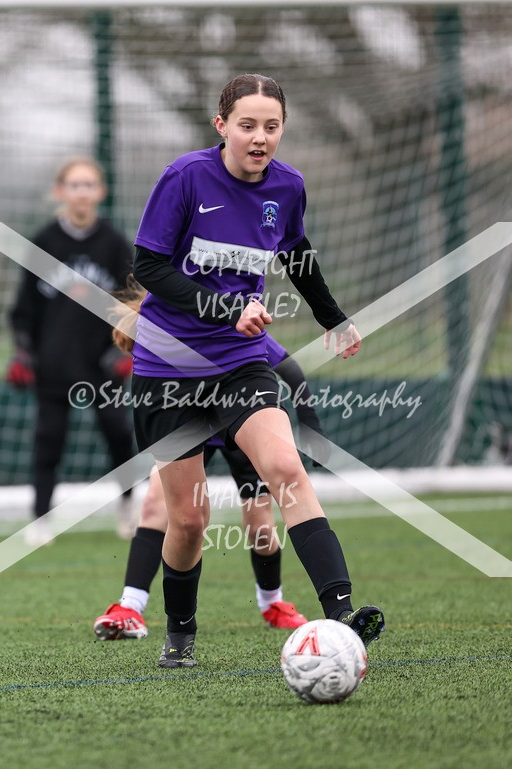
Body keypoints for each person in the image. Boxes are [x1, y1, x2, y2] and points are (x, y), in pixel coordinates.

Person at [130, 73, 385, 667]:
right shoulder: (186, 177)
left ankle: (342, 613)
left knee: (284, 468)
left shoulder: (289, 186)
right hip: (168, 366)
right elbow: (148, 265)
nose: (260, 137)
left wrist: (333, 317)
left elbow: (295, 252)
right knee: (189, 521)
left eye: (272, 126)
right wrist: (223, 306)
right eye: (247, 125)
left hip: (240, 363)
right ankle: (181, 635)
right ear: (221, 125)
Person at [93, 317, 328, 638]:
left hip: (241, 424)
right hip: (189, 428)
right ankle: (130, 606)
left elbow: (289, 368)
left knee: (260, 525)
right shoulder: (166, 327)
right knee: (155, 505)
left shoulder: (230, 325)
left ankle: (272, 601)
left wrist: (310, 425)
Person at [7, 156, 136, 545]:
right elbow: (24, 307)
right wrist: (23, 350)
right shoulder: (44, 242)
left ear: (101, 191)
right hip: (54, 362)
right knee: (49, 438)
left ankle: (129, 506)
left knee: (118, 434)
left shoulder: (114, 243)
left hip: (102, 363)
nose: (82, 192)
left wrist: (123, 348)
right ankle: (41, 517)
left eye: (89, 184)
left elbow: (133, 302)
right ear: (60, 191)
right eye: (74, 185)